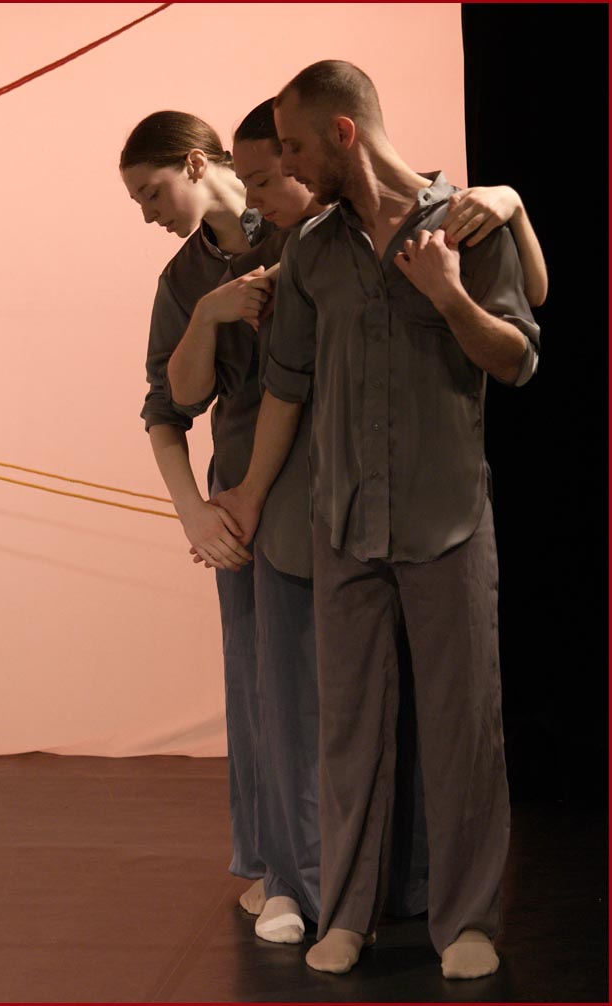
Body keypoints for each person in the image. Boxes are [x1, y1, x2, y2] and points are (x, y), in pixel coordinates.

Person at [167, 100, 548, 947]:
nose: (285, 170)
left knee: (457, 727)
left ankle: (462, 922)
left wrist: (462, 278)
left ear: (342, 133)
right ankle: (337, 913)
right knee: (338, 726)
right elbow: (280, 384)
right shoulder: (308, 248)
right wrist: (246, 495)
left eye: (291, 150)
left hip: (444, 513)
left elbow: (520, 354)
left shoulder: (463, 221)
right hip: (336, 519)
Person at [119, 110, 268, 916]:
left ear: (195, 162)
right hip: (240, 493)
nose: (149, 214)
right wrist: (194, 516)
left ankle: (364, 866)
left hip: (335, 478)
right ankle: (277, 864)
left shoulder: (306, 228)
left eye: (152, 192)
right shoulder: (183, 281)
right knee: (256, 681)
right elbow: (167, 406)